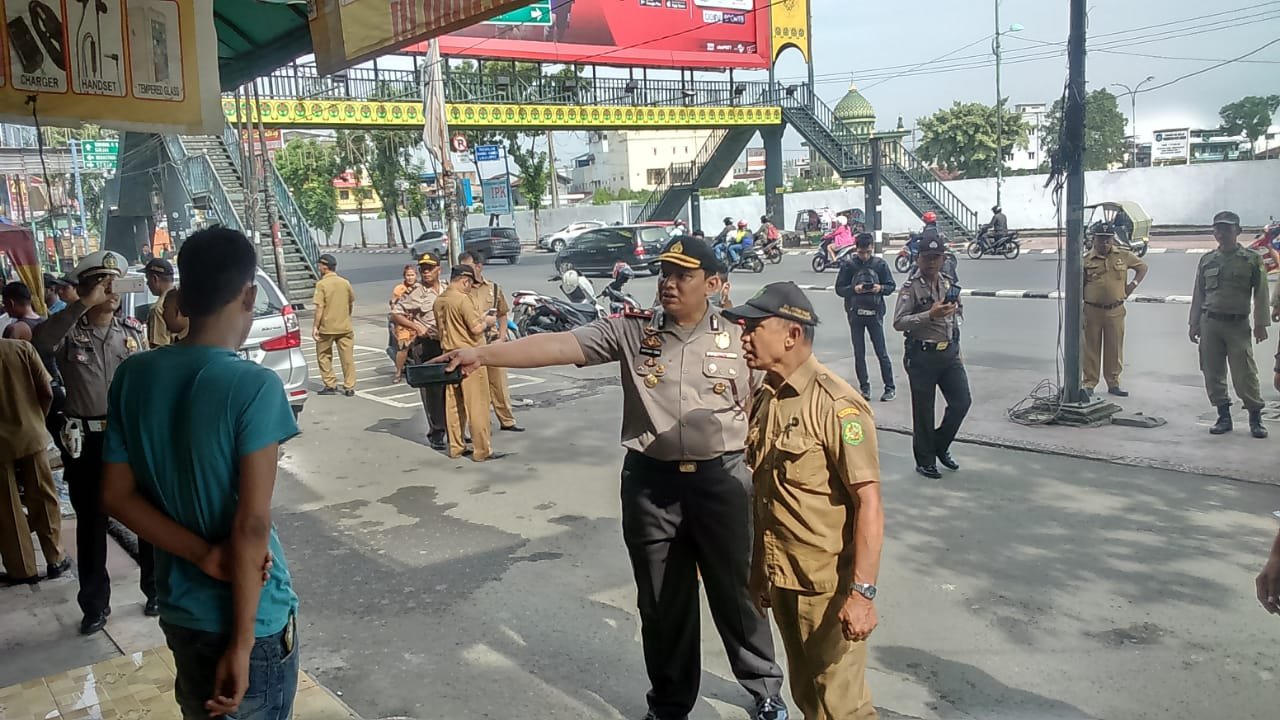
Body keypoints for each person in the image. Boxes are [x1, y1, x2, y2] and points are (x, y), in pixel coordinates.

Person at [434, 236, 788, 720]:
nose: (668, 283)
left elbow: (780, 385)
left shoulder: (739, 334)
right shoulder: (632, 330)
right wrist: (483, 354)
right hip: (652, 485)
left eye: (682, 275)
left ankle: (763, 686)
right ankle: (670, 703)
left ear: (712, 284)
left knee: (738, 591)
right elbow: (560, 345)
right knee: (661, 601)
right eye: (664, 273)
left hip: (721, 481)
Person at [101, 227, 301, 720]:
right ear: (249, 296)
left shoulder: (133, 375)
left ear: (182, 298)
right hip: (251, 619)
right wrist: (242, 643)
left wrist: (202, 555)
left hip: (182, 609)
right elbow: (251, 525)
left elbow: (116, 495)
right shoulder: (254, 387)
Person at [723, 282, 883, 720]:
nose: (744, 337)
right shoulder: (767, 397)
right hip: (784, 578)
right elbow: (766, 497)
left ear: (792, 335)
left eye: (754, 328)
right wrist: (760, 571)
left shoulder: (837, 405)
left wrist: (862, 594)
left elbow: (869, 502)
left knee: (842, 706)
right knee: (809, 695)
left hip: (826, 588)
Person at [31, 250, 155, 634]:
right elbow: (40, 342)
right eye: (103, 284)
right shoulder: (69, 333)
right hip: (86, 439)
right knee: (91, 523)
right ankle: (95, 605)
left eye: (115, 284)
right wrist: (83, 304)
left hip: (126, 436)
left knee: (145, 515)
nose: (111, 291)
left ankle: (155, 589)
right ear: (87, 288)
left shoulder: (131, 332)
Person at [893, 233, 971, 480]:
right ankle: (925, 460)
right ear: (918, 259)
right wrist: (929, 315)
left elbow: (954, 320)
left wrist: (957, 347)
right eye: (927, 257)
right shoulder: (911, 288)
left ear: (943, 259)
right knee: (924, 412)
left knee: (962, 402)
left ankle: (939, 444)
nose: (932, 262)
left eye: (937, 257)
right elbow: (899, 322)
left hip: (949, 353)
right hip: (922, 355)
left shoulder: (947, 283)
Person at [1189, 211, 1270, 439]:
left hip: (1237, 325)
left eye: (1227, 229)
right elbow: (1199, 293)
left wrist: (1261, 323)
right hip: (1210, 323)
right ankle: (1223, 415)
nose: (1221, 233)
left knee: (1245, 373)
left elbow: (1262, 292)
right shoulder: (1207, 260)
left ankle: (1255, 417)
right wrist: (1193, 323)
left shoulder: (1250, 259)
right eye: (1217, 229)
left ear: (1238, 231)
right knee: (1212, 371)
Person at [0, 337, 69, 585]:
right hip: (31, 433)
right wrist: (37, 418)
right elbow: (47, 391)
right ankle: (55, 558)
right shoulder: (21, 348)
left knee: (7, 507)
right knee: (43, 495)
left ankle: (22, 569)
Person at [434, 264, 502, 462]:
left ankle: (456, 447)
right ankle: (482, 450)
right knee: (477, 405)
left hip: (449, 355)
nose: (471, 288)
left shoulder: (439, 300)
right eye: (470, 284)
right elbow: (475, 329)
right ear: (465, 280)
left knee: (454, 405)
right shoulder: (463, 299)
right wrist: (488, 322)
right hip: (469, 357)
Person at [460, 251, 524, 433]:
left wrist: (502, 337)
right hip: (471, 345)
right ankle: (476, 427)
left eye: (467, 267)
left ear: (479, 266)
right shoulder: (460, 291)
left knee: (499, 385)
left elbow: (503, 313)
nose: (464, 271)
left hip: (492, 342)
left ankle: (507, 420)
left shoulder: (493, 288)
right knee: (474, 389)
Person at [1082, 224, 1148, 398]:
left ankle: (1113, 382)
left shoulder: (1123, 255)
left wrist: (1132, 285)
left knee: (1114, 347)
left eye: (1108, 239)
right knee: (1090, 348)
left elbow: (1142, 267)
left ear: (1112, 239)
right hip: (1092, 310)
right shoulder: (1086, 259)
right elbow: (1079, 284)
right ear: (1093, 239)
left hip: (1115, 310)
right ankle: (1089, 383)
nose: (1104, 243)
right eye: (1100, 239)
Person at [392, 254, 448, 451]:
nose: (426, 272)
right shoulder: (416, 292)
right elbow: (396, 313)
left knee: (452, 388)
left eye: (430, 268)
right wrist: (416, 326)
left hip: (448, 344)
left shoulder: (447, 288)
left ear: (438, 269)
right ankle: (437, 433)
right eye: (423, 268)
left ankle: (456, 429)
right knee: (432, 392)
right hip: (427, 345)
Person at [836, 232, 897, 402]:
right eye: (861, 252)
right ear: (856, 249)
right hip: (855, 313)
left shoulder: (880, 265)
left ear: (872, 249)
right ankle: (865, 388)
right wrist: (853, 289)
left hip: (875, 313)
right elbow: (839, 289)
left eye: (868, 252)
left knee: (881, 351)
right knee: (859, 352)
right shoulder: (849, 265)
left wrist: (880, 288)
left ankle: (890, 387)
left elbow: (891, 286)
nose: (865, 256)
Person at [312, 253, 357, 397]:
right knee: (347, 358)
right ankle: (349, 386)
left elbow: (320, 307)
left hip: (327, 328)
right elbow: (350, 302)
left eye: (320, 265)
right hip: (345, 326)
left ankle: (330, 384)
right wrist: (346, 317)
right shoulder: (345, 283)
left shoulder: (321, 284)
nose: (319, 268)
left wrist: (315, 326)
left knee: (324, 356)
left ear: (324, 267)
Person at [389, 264, 419, 384]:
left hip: (417, 321)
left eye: (412, 275)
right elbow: (393, 305)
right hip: (403, 323)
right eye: (408, 275)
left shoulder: (421, 287)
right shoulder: (399, 289)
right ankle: (398, 372)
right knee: (403, 348)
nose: (410, 277)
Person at [144, 257, 182, 348]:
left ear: (155, 279)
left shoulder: (158, 309)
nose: (147, 284)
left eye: (148, 279)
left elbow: (158, 348)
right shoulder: (186, 300)